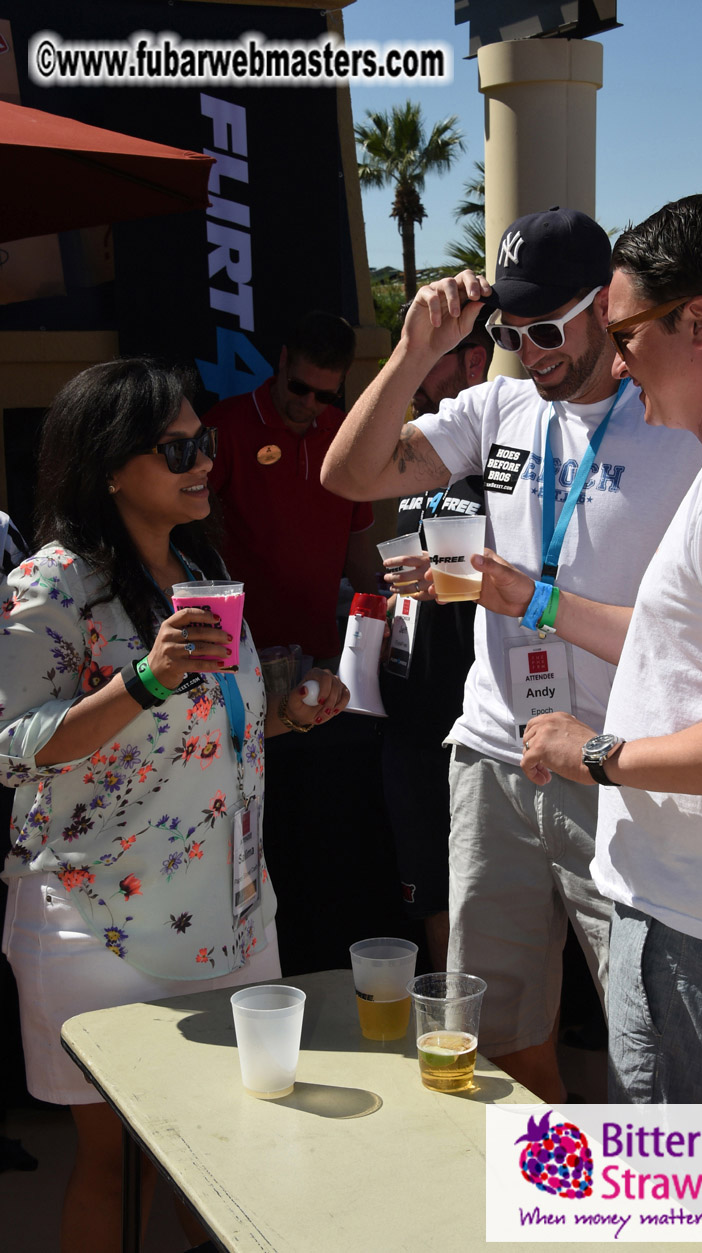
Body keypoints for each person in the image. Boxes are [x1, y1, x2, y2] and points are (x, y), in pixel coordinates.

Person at [321, 207, 702, 1100]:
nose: (528, 353)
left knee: (651, 1036)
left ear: (606, 304)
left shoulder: (677, 425)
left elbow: (693, 627)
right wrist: (415, 352)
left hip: (620, 763)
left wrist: (530, 594)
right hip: (494, 754)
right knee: (489, 1031)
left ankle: (655, 1219)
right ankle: (553, 1201)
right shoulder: (498, 407)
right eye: (507, 331)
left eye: (544, 329)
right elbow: (350, 475)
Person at [472, 192, 702, 1116]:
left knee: (698, 1211)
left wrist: (597, 756)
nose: (620, 359)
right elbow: (685, 651)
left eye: (628, 331)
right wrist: (536, 599)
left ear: (699, 322)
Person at [0, 359, 348, 1252]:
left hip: (229, 913)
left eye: (207, 443)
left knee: (225, 1157)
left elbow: (216, 726)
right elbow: (19, 745)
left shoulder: (201, 567)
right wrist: (146, 678)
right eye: (179, 447)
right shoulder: (52, 584)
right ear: (113, 465)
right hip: (100, 924)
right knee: (121, 1168)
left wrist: (289, 709)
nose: (203, 461)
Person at [378, 309, 493, 969]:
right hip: (407, 720)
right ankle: (453, 1025)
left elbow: (534, 581)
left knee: (480, 899)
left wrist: (447, 577)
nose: (418, 369)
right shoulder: (415, 455)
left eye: (434, 354)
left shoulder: (501, 455)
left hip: (471, 725)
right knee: (430, 898)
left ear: (474, 358)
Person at [205, 310, 378, 663]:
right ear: (283, 360)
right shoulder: (226, 426)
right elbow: (184, 533)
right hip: (238, 650)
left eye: (325, 396)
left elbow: (358, 540)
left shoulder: (347, 436)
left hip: (321, 650)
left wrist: (377, 618)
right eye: (299, 387)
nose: (309, 403)